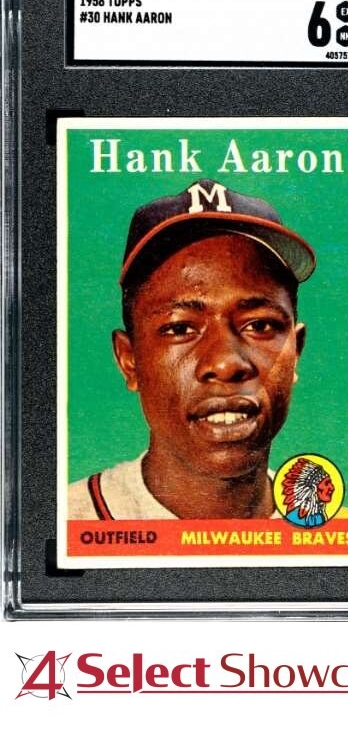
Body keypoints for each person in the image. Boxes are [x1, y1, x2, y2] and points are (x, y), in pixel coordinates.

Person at [68, 179, 316, 520]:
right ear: (129, 360)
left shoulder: (339, 533)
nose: (226, 363)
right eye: (180, 328)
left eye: (259, 325)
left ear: (295, 350)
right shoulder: (64, 525)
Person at [282, 457, 335, 527]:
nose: (332, 488)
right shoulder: (295, 517)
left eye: (330, 483)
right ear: (312, 488)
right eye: (326, 483)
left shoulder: (318, 515)